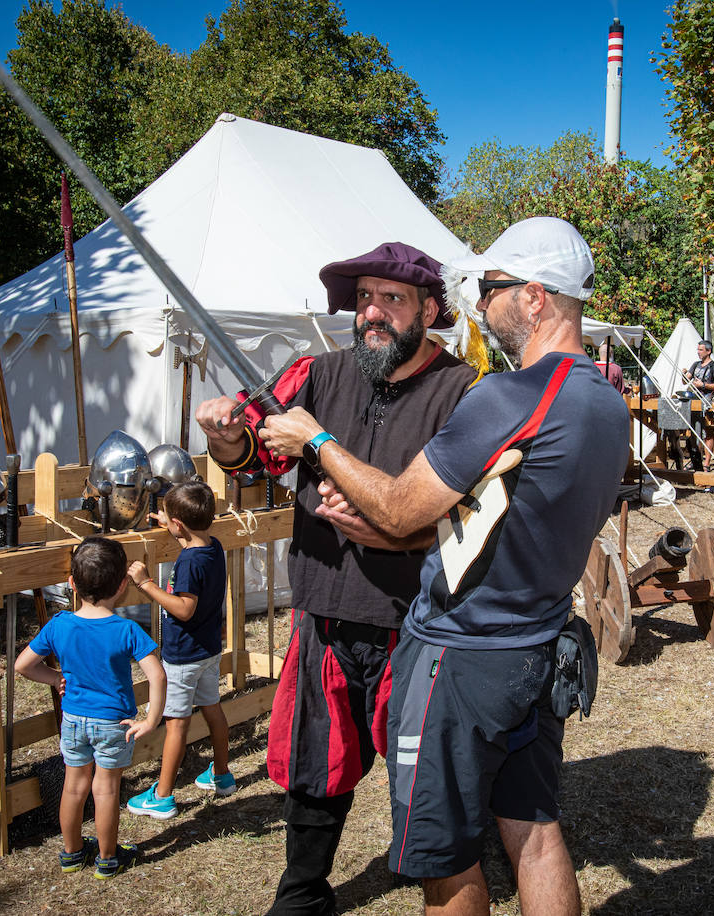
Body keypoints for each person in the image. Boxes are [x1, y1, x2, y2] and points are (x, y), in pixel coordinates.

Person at [259, 216, 629, 916]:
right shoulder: (607, 404)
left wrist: (318, 438)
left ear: (536, 298)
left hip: (463, 656)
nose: (480, 306)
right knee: (536, 834)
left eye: (491, 288)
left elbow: (400, 511)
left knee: (446, 860)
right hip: (539, 641)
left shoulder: (512, 396)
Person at [195, 242, 476, 916]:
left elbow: (461, 505)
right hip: (325, 604)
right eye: (365, 298)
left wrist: (375, 499)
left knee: (429, 768)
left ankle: (447, 870)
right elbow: (253, 459)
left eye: (392, 300)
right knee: (316, 766)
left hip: (420, 619)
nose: (372, 313)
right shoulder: (315, 372)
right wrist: (224, 437)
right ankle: (303, 892)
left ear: (429, 310)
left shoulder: (463, 391)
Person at [13, 536, 165, 879]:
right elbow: (157, 676)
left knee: (74, 786)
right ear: (123, 586)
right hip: (114, 723)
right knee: (106, 789)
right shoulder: (127, 629)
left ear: (71, 584)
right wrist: (151, 719)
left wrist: (54, 678)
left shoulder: (59, 624)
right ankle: (108, 859)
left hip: (73, 720)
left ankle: (71, 853)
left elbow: (23, 665)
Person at [125, 481, 233, 819]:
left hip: (184, 655)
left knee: (175, 724)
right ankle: (221, 774)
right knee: (213, 708)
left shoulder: (187, 562)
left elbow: (184, 609)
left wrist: (145, 584)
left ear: (179, 525)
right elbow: (190, 538)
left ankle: (162, 795)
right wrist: (171, 524)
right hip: (209, 649)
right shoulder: (213, 546)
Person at [683, 340, 714, 462]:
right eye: (698, 350)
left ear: (708, 351)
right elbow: (685, 381)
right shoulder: (695, 364)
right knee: (692, 431)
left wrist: (703, 385)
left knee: (708, 432)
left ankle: (706, 462)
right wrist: (684, 374)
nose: (698, 352)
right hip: (693, 401)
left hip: (708, 401)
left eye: (701, 350)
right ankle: (696, 460)